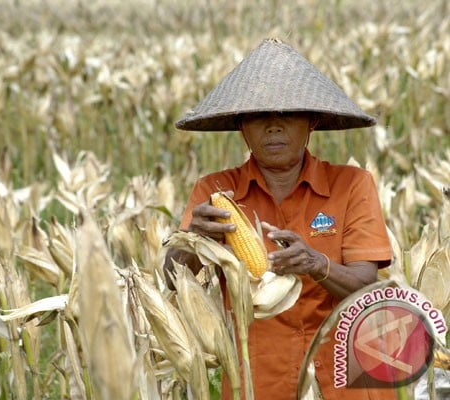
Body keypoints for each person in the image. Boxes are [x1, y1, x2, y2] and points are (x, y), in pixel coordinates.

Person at [163, 38, 395, 399]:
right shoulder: (215, 190)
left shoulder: (351, 185)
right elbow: (172, 279)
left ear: (311, 122)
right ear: (242, 126)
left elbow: (368, 287)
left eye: (287, 114)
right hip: (257, 381)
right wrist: (194, 239)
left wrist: (317, 264)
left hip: (346, 381)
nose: (273, 126)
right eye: (258, 116)